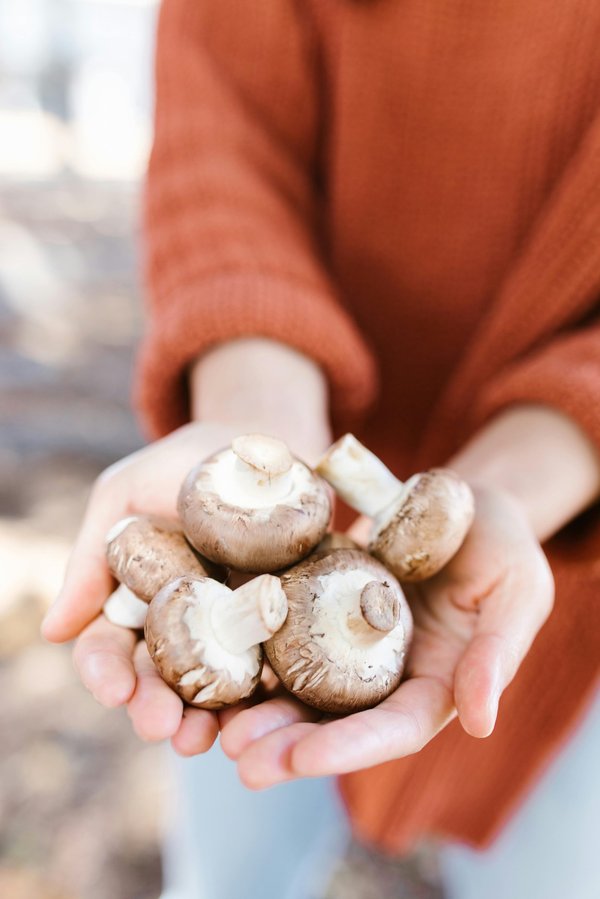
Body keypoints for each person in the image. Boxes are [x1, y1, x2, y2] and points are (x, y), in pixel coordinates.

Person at [42, 1, 600, 897]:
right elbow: (221, 151)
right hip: (259, 521)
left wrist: (516, 483)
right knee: (232, 868)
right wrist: (259, 426)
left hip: (565, 572)